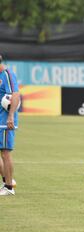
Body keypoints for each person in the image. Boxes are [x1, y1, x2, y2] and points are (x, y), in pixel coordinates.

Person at [0, 55, 20, 196]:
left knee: (6, 153)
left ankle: (9, 187)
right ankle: (8, 180)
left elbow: (15, 95)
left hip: (6, 121)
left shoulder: (7, 74)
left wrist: (11, 116)